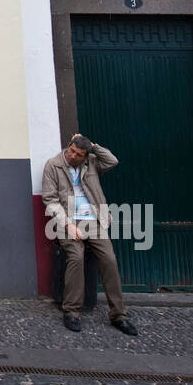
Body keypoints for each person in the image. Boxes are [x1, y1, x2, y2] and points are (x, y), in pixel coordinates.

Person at [41, 133, 139, 336]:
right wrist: (68, 226)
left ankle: (119, 315)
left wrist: (94, 147)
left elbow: (112, 161)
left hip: (94, 221)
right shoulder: (53, 165)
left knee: (110, 260)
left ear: (86, 156)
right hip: (68, 222)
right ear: (68, 146)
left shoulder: (92, 162)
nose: (73, 156)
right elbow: (50, 200)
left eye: (79, 154)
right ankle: (72, 311)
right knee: (76, 258)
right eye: (72, 151)